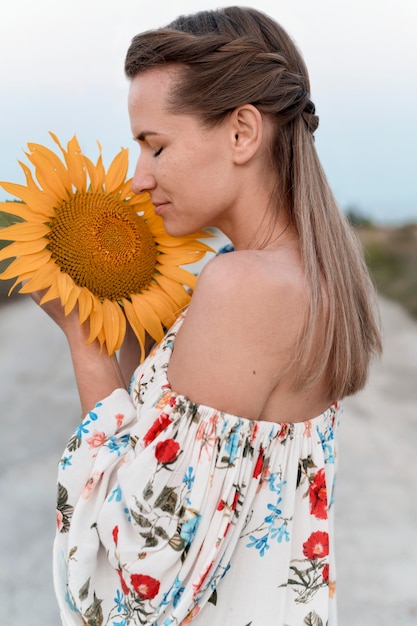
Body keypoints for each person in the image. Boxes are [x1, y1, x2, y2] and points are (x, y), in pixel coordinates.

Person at [32, 6, 381, 625]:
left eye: (155, 145)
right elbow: (197, 472)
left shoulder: (242, 283)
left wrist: (86, 343)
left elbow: (136, 577)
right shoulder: (307, 273)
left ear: (243, 133)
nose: (138, 178)